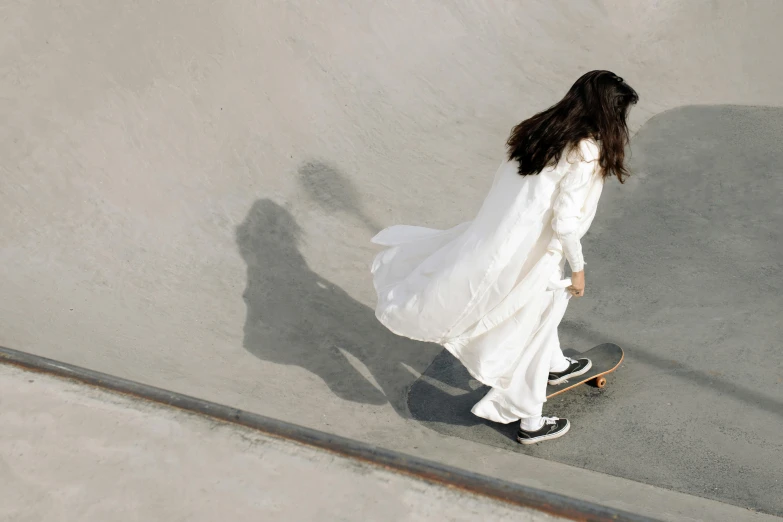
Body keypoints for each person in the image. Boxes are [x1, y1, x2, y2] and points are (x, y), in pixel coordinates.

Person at [370, 70, 639, 444]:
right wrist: (578, 270)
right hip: (531, 258)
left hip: (498, 244)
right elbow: (564, 223)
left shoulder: (541, 130)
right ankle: (531, 421)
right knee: (533, 328)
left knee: (542, 317)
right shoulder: (585, 152)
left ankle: (557, 366)